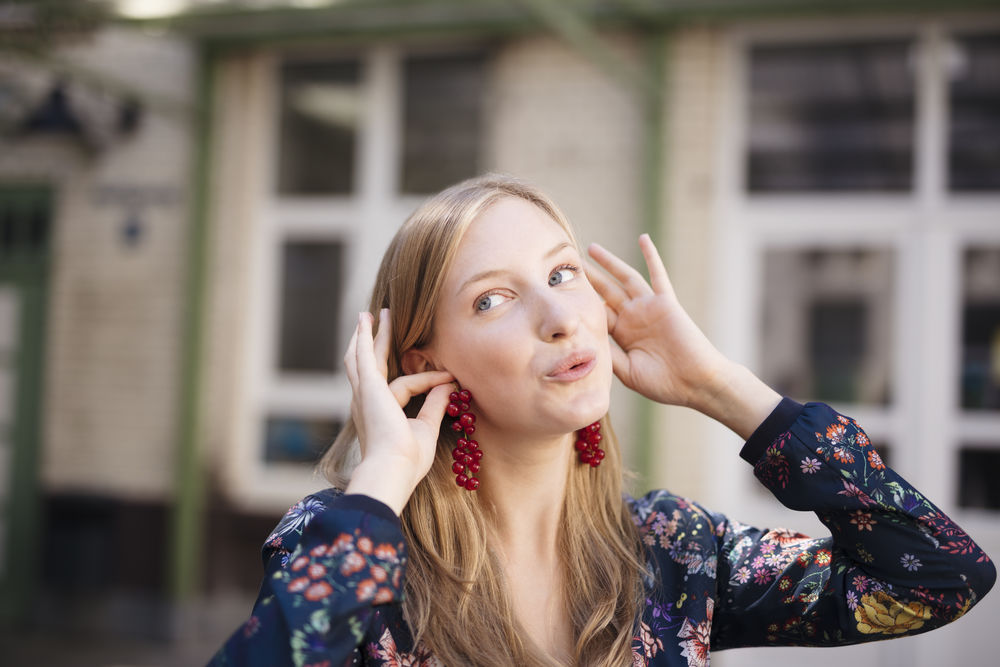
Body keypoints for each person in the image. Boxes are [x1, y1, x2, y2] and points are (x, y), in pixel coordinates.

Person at [209, 174, 995, 667]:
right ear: (425, 359)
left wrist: (721, 387)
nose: (559, 316)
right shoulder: (354, 545)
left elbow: (941, 575)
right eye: (493, 298)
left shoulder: (673, 550)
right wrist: (382, 475)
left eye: (562, 272)